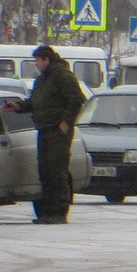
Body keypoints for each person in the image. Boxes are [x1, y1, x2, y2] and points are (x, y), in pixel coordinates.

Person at [27, 44, 86, 224]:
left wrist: (66, 121)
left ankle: (59, 211)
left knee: (57, 169)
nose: (36, 64)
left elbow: (77, 99)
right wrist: (18, 107)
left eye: (38, 60)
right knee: (45, 169)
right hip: (44, 128)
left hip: (57, 130)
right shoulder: (42, 80)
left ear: (47, 60)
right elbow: (36, 102)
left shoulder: (62, 76)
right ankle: (47, 211)